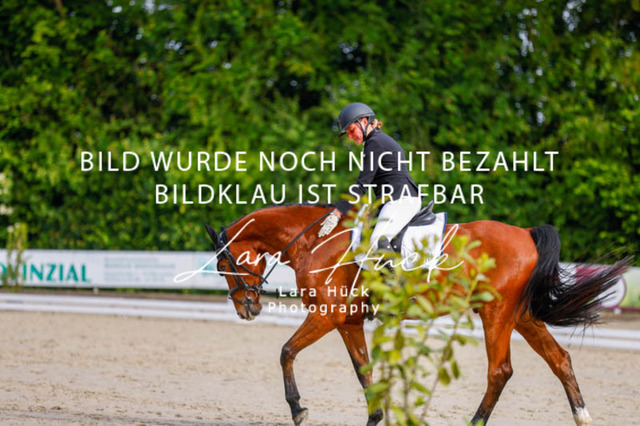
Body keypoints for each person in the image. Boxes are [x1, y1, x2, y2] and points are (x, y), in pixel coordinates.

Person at [318, 102, 421, 252]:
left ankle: (398, 269)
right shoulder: (376, 141)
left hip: (402, 200)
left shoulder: (375, 143)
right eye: (347, 133)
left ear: (364, 122)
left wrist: (337, 213)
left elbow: (362, 185)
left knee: (377, 241)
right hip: (394, 200)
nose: (350, 136)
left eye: (351, 130)